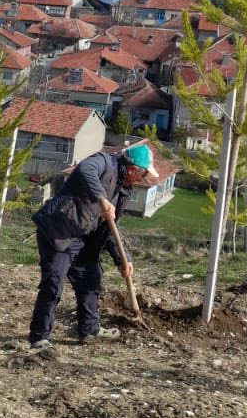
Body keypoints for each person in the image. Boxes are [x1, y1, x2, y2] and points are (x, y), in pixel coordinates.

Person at [27, 143, 158, 352]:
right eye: (143, 176)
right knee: (53, 284)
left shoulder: (123, 191)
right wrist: (102, 199)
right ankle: (39, 337)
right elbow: (84, 169)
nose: (143, 180)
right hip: (60, 232)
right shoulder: (106, 162)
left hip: (83, 241)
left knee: (91, 280)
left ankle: (89, 330)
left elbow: (111, 227)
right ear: (133, 169)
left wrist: (123, 259)